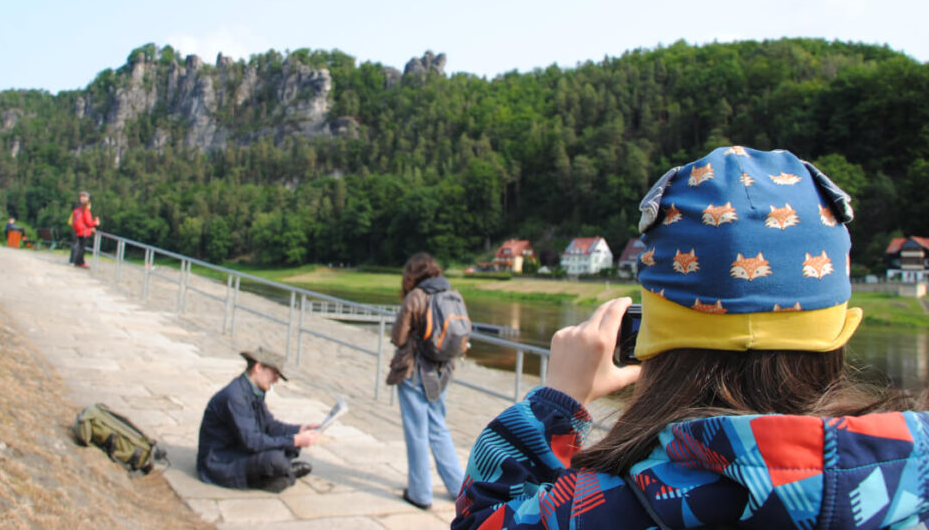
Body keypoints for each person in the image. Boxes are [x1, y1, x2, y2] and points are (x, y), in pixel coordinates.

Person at [454, 146, 929, 529]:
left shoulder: (600, 508)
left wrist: (554, 406)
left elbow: (484, 519)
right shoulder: (915, 482)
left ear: (651, 338)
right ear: (839, 330)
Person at [387, 253, 464, 510]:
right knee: (438, 428)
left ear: (412, 275)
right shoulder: (451, 294)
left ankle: (420, 493)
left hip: (414, 372)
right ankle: (459, 489)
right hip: (442, 371)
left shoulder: (416, 297)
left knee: (416, 432)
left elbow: (398, 337)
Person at [197, 347, 320, 492]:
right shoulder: (235, 397)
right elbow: (252, 442)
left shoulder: (253, 390)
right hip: (220, 461)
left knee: (288, 445)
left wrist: (300, 430)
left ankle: (279, 473)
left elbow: (270, 425)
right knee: (276, 458)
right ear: (258, 367)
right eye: (274, 374)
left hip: (239, 449)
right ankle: (282, 475)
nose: (276, 380)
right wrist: (294, 440)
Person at [70, 191, 100, 269]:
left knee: (79, 247)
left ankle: (76, 261)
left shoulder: (78, 210)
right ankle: (79, 262)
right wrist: (96, 222)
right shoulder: (86, 211)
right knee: (82, 248)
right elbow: (89, 223)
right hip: (84, 232)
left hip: (78, 230)